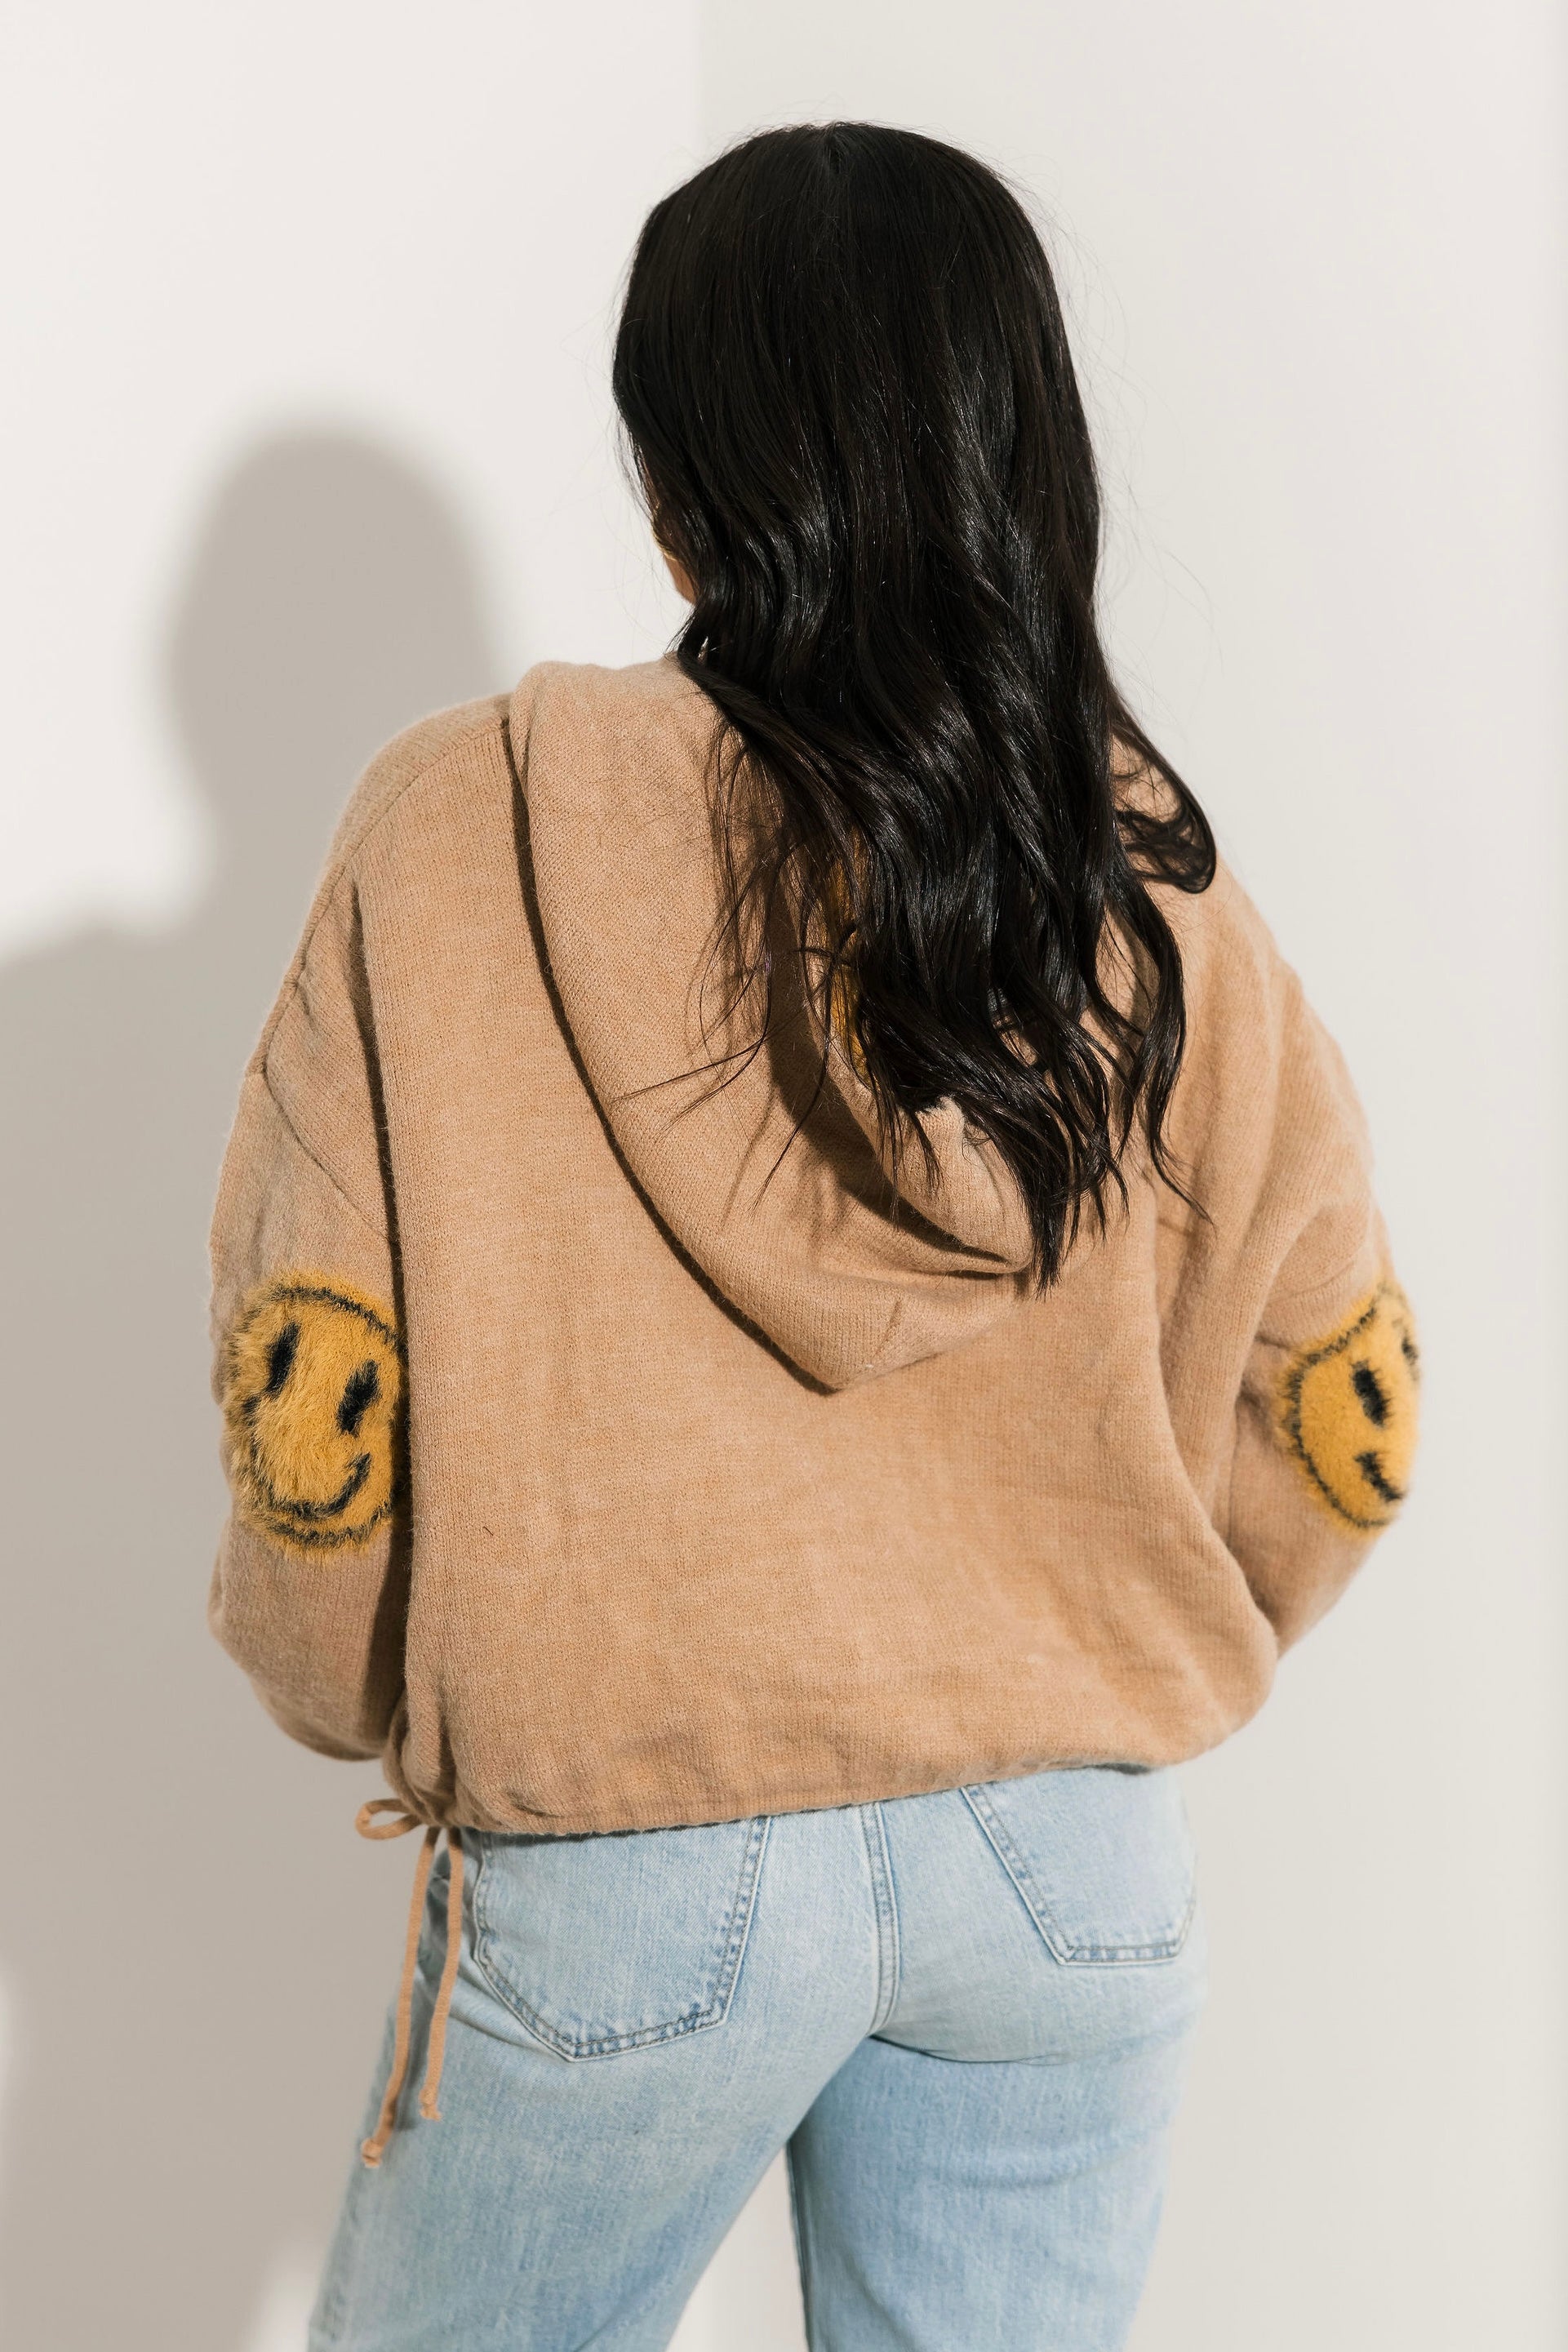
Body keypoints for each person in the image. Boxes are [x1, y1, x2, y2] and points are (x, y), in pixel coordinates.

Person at [207, 122, 1419, 2352]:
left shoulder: (456, 829)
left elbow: (321, 1401)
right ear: (1015, 447)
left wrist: (370, 1688)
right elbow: (1334, 1408)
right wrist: (1103, 1619)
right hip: (1066, 1865)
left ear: (677, 477)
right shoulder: (1146, 883)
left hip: (626, 1849)